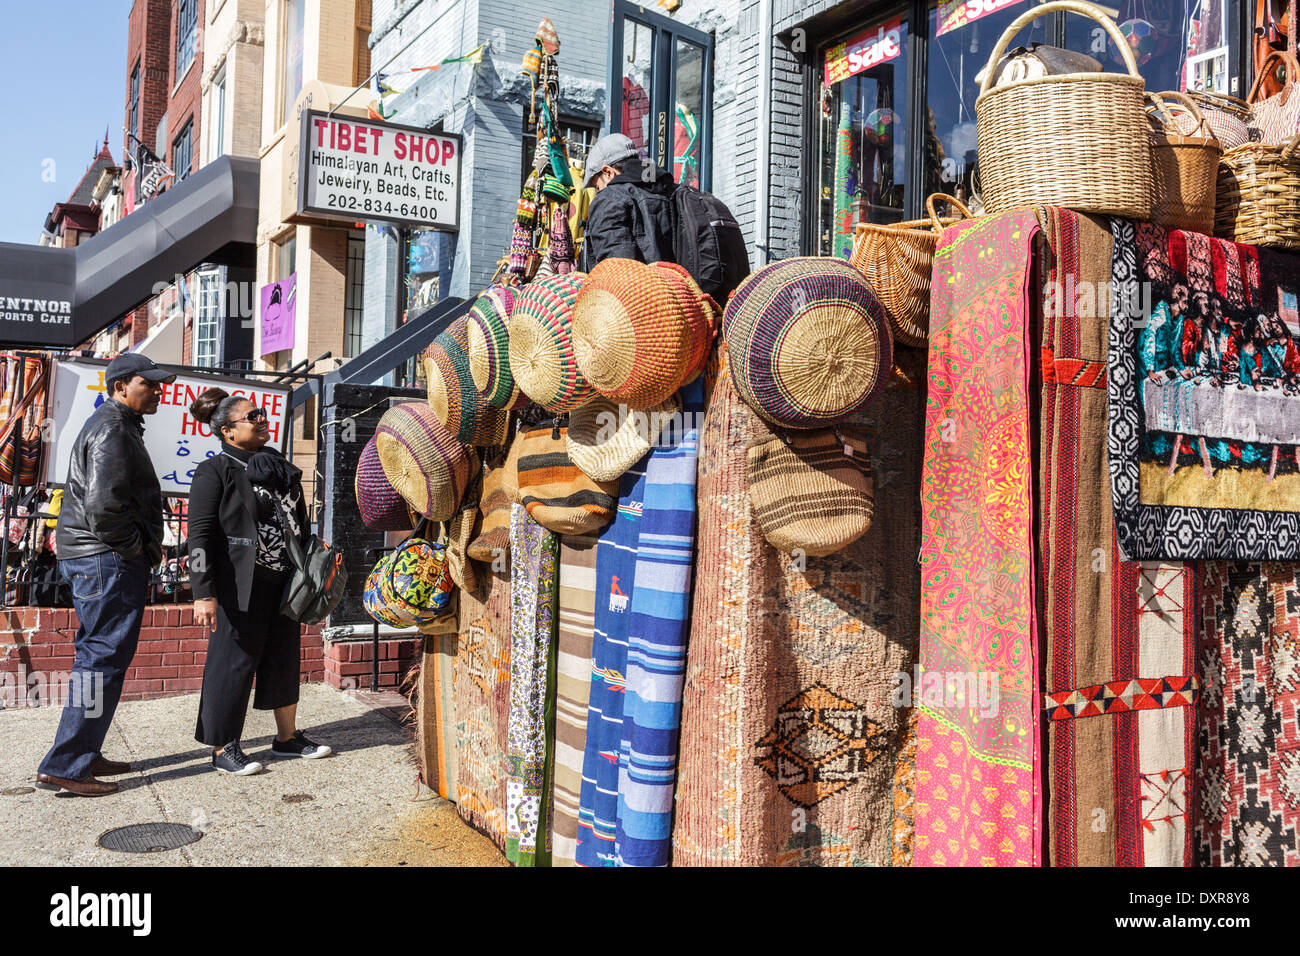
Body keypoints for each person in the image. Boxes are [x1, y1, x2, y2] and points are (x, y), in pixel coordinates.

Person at [36, 353, 174, 797]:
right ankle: (67, 765)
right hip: (107, 558)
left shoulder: (117, 425)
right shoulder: (113, 429)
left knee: (99, 655)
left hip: (99, 557)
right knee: (101, 657)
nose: (157, 390)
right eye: (147, 384)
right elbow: (103, 508)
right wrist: (134, 549)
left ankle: (83, 752)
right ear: (119, 387)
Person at [187, 388, 331, 775]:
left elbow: (298, 521)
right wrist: (202, 592)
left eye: (262, 413)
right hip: (240, 586)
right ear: (228, 431)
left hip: (285, 582)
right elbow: (198, 535)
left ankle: (287, 739)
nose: (262, 419)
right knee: (233, 663)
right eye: (253, 416)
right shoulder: (215, 471)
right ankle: (223, 748)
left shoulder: (278, 467)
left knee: (284, 659)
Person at [579, 131, 677, 271]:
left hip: (637, 291)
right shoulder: (668, 191)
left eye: (596, 186)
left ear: (608, 172)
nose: (597, 192)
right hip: (674, 289)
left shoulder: (609, 199)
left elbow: (615, 272)